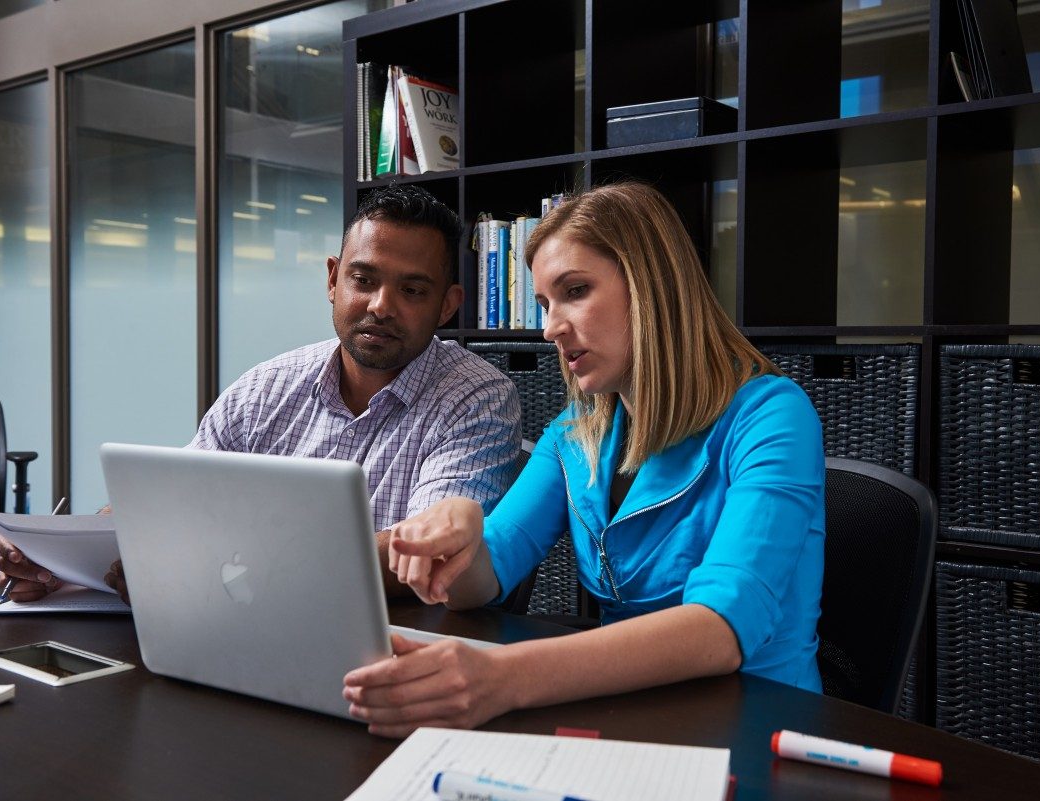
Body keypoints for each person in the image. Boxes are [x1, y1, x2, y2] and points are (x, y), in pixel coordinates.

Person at [342, 181, 825, 737]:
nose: (550, 328)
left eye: (574, 291)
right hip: (630, 714)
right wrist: (464, 537)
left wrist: (503, 677)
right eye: (545, 303)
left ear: (653, 287)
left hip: (760, 729)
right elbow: (484, 580)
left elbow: (720, 629)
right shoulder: (576, 432)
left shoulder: (770, 416)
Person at [0, 184, 521, 604]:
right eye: (363, 279)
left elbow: (427, 557)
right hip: (238, 625)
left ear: (448, 305)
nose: (381, 306)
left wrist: (218, 564)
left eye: (412, 290)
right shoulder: (267, 387)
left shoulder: (476, 398)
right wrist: (64, 557)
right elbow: (176, 497)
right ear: (333, 280)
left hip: (394, 647)